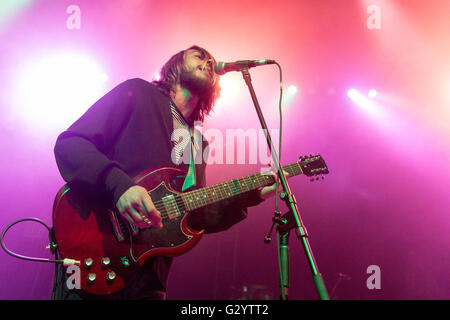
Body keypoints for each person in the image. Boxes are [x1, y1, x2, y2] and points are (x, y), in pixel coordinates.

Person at [52, 45, 283, 300]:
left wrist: (251, 195)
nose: (207, 61)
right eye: (199, 55)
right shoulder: (138, 93)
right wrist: (120, 187)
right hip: (93, 249)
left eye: (211, 61)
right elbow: (70, 144)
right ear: (175, 64)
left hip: (150, 279)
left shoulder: (197, 142)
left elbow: (195, 213)